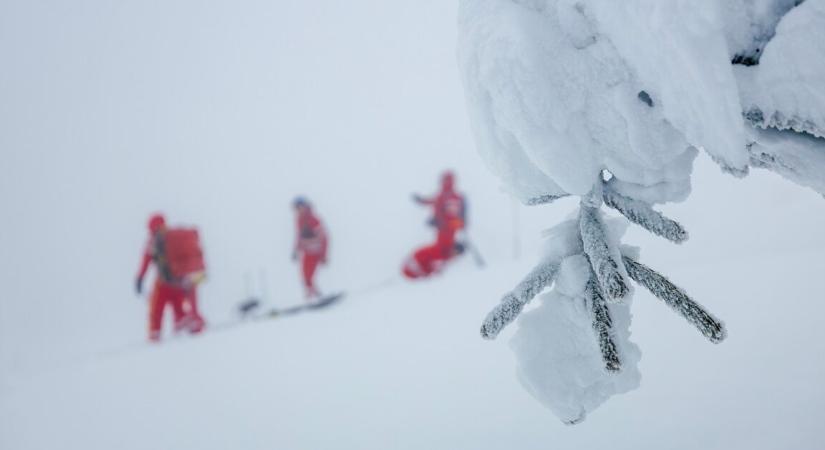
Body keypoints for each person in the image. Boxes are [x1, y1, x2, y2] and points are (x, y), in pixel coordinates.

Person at [135, 213, 206, 341]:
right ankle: (192, 326)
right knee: (181, 308)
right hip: (182, 279)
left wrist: (140, 278)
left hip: (164, 283)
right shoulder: (175, 237)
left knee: (156, 309)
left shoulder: (154, 241)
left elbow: (146, 260)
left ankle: (155, 336)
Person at [403, 171, 467, 279]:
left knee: (443, 250)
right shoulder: (451, 197)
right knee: (442, 249)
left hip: (447, 229)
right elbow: (431, 202)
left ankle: (437, 271)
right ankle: (434, 269)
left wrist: (453, 222)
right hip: (445, 228)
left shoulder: (450, 197)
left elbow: (458, 213)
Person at [292, 197, 328, 300]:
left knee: (309, 274)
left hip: (316, 251)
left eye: (300, 207)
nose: (299, 210)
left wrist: (324, 255)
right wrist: (296, 250)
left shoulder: (313, 220)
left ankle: (315, 295)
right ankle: (311, 295)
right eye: (297, 208)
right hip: (307, 252)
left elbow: (324, 237)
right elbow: (299, 237)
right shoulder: (299, 220)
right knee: (305, 275)